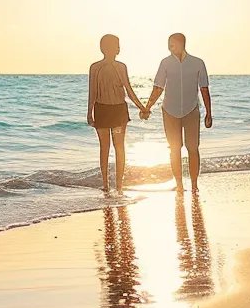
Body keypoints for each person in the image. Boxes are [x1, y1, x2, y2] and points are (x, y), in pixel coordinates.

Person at [141, 33, 212, 192]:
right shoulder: (165, 63)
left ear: (181, 44)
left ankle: (194, 185)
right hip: (169, 111)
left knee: (193, 148)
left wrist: (208, 112)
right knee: (175, 148)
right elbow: (158, 87)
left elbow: (204, 89)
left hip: (191, 110)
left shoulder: (197, 63)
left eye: (172, 44)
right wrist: (148, 107)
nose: (169, 47)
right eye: (168, 44)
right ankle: (179, 184)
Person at [87, 34, 147, 193]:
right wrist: (89, 113)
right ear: (105, 48)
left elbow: (128, 90)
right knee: (107, 147)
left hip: (118, 112)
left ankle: (117, 185)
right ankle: (107, 185)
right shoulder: (95, 67)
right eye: (116, 45)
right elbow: (92, 91)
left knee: (117, 147)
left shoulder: (120, 67)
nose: (118, 48)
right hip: (103, 111)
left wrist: (142, 107)